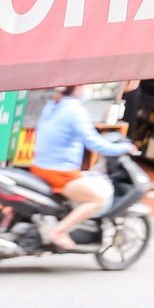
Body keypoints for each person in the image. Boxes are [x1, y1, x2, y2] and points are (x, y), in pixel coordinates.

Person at [28, 86, 138, 251]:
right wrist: (123, 148)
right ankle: (58, 231)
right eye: (84, 86)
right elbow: (93, 143)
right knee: (97, 199)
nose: (87, 89)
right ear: (76, 89)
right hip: (60, 173)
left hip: (39, 166)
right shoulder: (75, 110)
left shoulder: (53, 104)